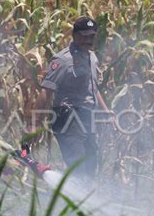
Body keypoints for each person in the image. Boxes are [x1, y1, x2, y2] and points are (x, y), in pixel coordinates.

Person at [35, 16, 114, 179]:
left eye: (92, 36)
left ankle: (83, 200)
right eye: (84, 36)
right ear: (74, 35)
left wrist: (106, 112)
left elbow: (93, 88)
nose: (89, 40)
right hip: (68, 118)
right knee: (78, 166)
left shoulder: (92, 57)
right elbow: (46, 91)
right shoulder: (63, 60)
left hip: (86, 118)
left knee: (91, 165)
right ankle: (73, 200)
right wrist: (35, 124)